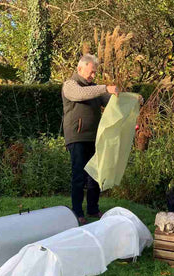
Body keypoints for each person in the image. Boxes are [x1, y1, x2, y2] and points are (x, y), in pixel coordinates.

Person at [62, 54, 119, 225]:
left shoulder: (95, 88)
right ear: (80, 68)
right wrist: (104, 88)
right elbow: (80, 94)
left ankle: (93, 209)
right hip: (77, 137)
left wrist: (132, 99)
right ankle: (77, 212)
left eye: (95, 73)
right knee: (79, 176)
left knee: (95, 175)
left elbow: (111, 101)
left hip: (95, 138)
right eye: (91, 72)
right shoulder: (70, 85)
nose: (93, 75)